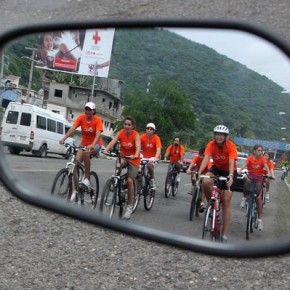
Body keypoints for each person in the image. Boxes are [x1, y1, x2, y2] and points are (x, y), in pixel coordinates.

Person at [197, 125, 238, 242]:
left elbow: (231, 162)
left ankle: (225, 233)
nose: (219, 137)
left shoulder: (231, 146)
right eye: (217, 134)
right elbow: (206, 158)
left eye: (221, 135)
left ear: (225, 137)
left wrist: (230, 175)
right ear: (214, 135)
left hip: (229, 171)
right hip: (217, 168)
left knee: (226, 201)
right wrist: (199, 172)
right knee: (205, 182)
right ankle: (212, 203)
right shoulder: (211, 144)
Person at [60, 102, 103, 191]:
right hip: (84, 144)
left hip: (96, 144)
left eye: (90, 110)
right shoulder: (81, 117)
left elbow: (98, 134)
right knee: (76, 164)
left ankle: (87, 178)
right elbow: (72, 129)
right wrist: (64, 138)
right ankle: (75, 191)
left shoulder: (97, 120)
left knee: (87, 153)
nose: (87, 111)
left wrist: (92, 145)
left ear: (93, 111)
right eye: (86, 109)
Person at [104, 116, 141, 220]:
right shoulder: (121, 132)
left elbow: (138, 147)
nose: (127, 126)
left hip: (134, 159)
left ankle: (129, 207)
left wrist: (136, 154)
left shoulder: (136, 135)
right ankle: (116, 181)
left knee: (129, 181)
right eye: (125, 124)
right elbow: (113, 141)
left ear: (133, 126)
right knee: (119, 162)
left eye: (129, 124)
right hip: (124, 157)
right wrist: (106, 149)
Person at [238, 145, 271, 231]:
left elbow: (266, 166)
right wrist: (240, 170)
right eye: (259, 150)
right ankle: (244, 198)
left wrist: (268, 173)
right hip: (251, 177)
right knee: (247, 181)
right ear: (254, 151)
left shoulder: (262, 159)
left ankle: (259, 221)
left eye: (261, 151)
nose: (260, 152)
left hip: (259, 178)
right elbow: (245, 165)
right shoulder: (249, 158)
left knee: (258, 198)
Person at [186, 147, 211, 212]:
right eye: (200, 155)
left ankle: (202, 203)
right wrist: (189, 169)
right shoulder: (196, 158)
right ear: (198, 154)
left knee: (203, 186)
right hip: (197, 171)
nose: (201, 157)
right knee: (193, 174)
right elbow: (192, 164)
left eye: (203, 156)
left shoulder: (207, 160)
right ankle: (194, 186)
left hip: (205, 173)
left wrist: (207, 176)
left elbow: (210, 169)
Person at [140, 122, 162, 190]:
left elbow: (158, 150)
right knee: (137, 167)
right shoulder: (143, 136)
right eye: (147, 128)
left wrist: (155, 158)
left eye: (151, 129)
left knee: (149, 164)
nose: (149, 130)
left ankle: (152, 180)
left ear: (154, 131)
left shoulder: (156, 138)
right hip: (144, 157)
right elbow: (136, 146)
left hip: (154, 157)